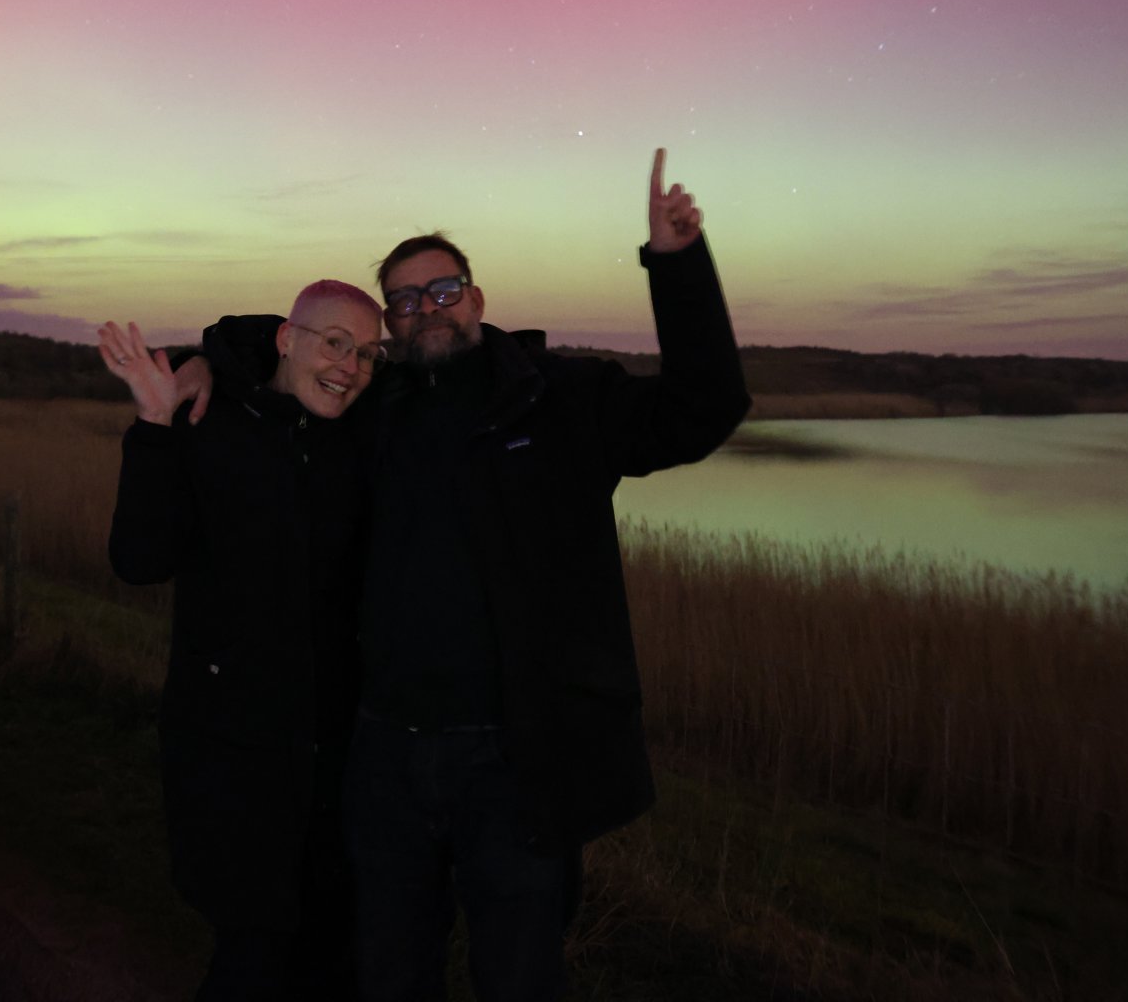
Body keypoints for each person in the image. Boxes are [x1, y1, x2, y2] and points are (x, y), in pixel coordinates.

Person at [178, 147, 750, 1001]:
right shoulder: (373, 406)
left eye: (442, 290)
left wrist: (675, 264)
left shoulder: (558, 401)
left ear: (477, 300)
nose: (425, 310)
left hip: (513, 764)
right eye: (404, 302)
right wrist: (208, 360)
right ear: (392, 327)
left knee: (517, 974)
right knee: (390, 971)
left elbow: (703, 408)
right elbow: (296, 341)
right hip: (384, 756)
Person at [101, 279, 387, 1002]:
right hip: (233, 756)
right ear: (287, 341)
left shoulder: (364, 438)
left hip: (342, 763)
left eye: (366, 354)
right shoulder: (212, 424)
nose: (350, 367)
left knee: (335, 954)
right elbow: (139, 561)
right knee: (252, 957)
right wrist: (154, 425)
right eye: (334, 344)